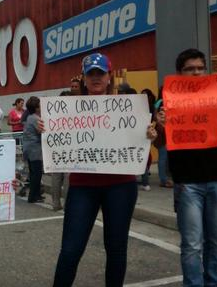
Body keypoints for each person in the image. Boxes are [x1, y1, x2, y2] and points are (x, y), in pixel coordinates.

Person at [53, 53, 158, 287]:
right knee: (70, 249)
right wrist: (46, 128)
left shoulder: (130, 107)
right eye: (91, 73)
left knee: (117, 248)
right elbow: (58, 138)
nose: (96, 77)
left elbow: (142, 140)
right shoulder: (68, 109)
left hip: (120, 185)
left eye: (100, 73)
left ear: (109, 76)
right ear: (84, 78)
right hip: (82, 186)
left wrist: (149, 135)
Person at [155, 48, 217, 287]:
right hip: (188, 183)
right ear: (180, 73)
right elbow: (159, 144)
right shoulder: (166, 103)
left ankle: (213, 283)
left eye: (201, 68)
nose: (197, 73)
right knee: (192, 244)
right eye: (190, 69)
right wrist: (160, 126)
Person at [22, 96, 45, 203]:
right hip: (34, 149)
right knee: (37, 173)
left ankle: (36, 194)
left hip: (28, 148)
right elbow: (41, 132)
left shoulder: (29, 117)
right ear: (36, 108)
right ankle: (33, 196)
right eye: (40, 106)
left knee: (33, 173)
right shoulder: (36, 119)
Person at [153, 86, 173, 188]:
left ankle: (164, 178)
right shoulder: (162, 102)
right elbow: (156, 117)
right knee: (163, 157)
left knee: (163, 157)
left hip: (163, 133)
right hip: (164, 133)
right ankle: (164, 179)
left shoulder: (158, 102)